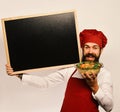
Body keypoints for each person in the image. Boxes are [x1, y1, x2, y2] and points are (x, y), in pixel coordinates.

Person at [6, 29, 113, 112]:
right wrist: (19, 75)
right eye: (87, 47)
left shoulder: (104, 75)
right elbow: (45, 82)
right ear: (82, 49)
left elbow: (109, 107)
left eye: (95, 48)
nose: (90, 51)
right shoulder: (72, 69)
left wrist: (95, 87)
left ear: (101, 50)